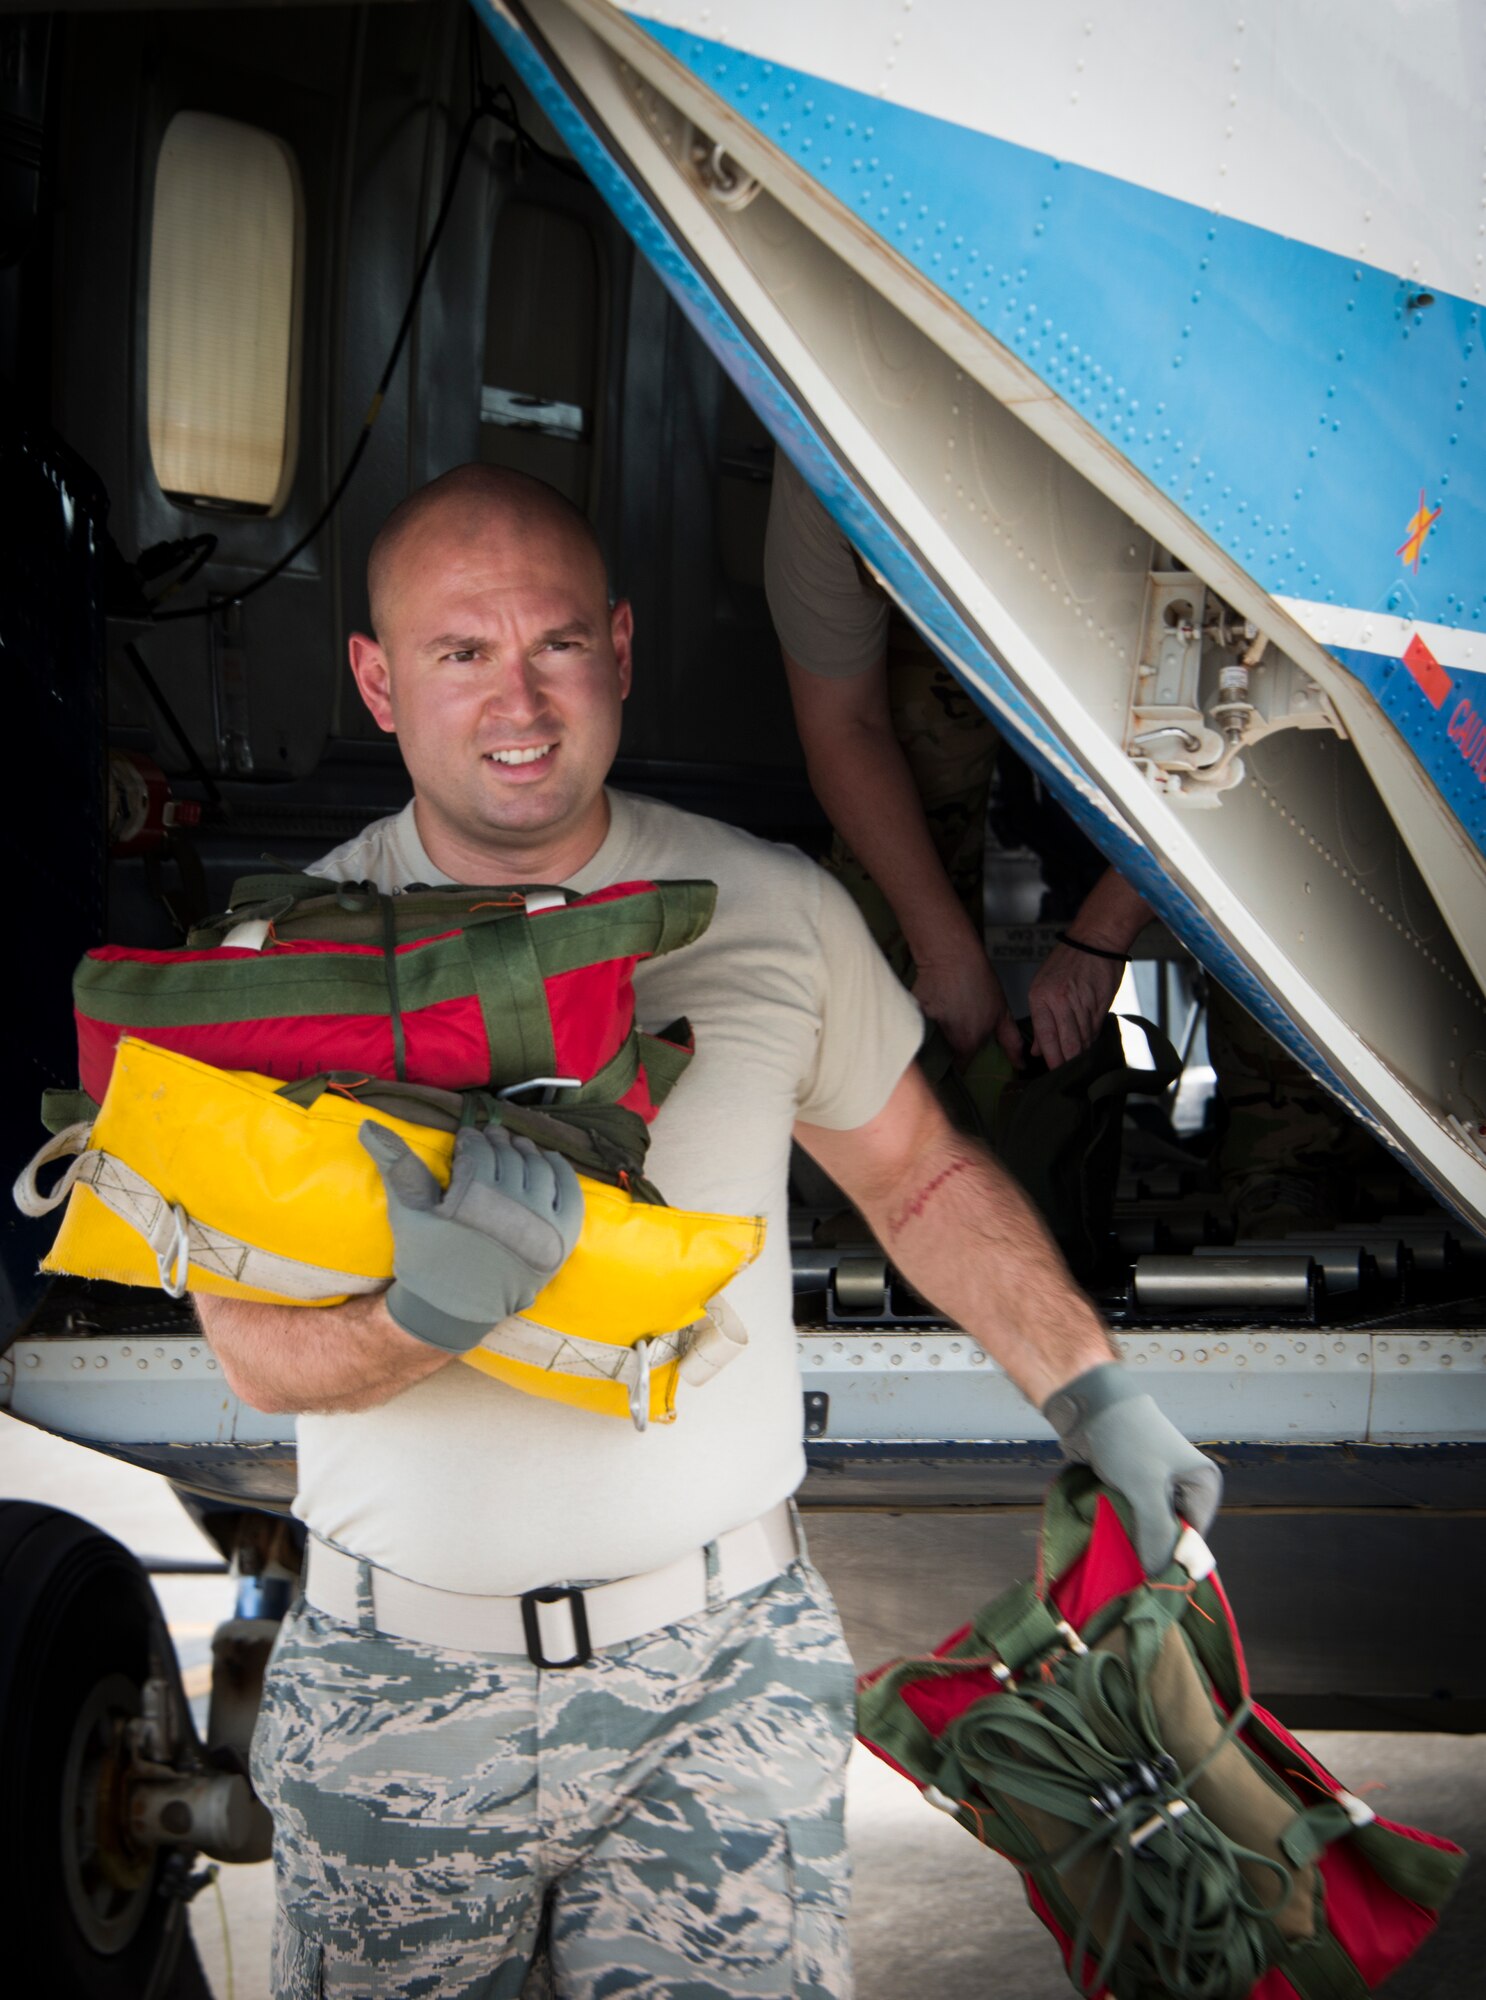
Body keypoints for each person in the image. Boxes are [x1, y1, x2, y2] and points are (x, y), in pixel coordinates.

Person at [195, 463, 1220, 2000]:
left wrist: (1095, 1393)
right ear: (376, 680)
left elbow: (921, 1177)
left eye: (554, 643)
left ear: (619, 647)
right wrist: (424, 1317)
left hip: (718, 1684)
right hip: (394, 1690)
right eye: (461, 652)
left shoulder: (764, 905)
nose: (518, 697)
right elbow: (250, 1357)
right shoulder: (276, 965)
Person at [764, 453, 1152, 1068]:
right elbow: (847, 725)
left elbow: (1256, 745)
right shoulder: (830, 466)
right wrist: (945, 955)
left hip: (1176, 643)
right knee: (894, 938)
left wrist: (1103, 935)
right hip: (951, 626)